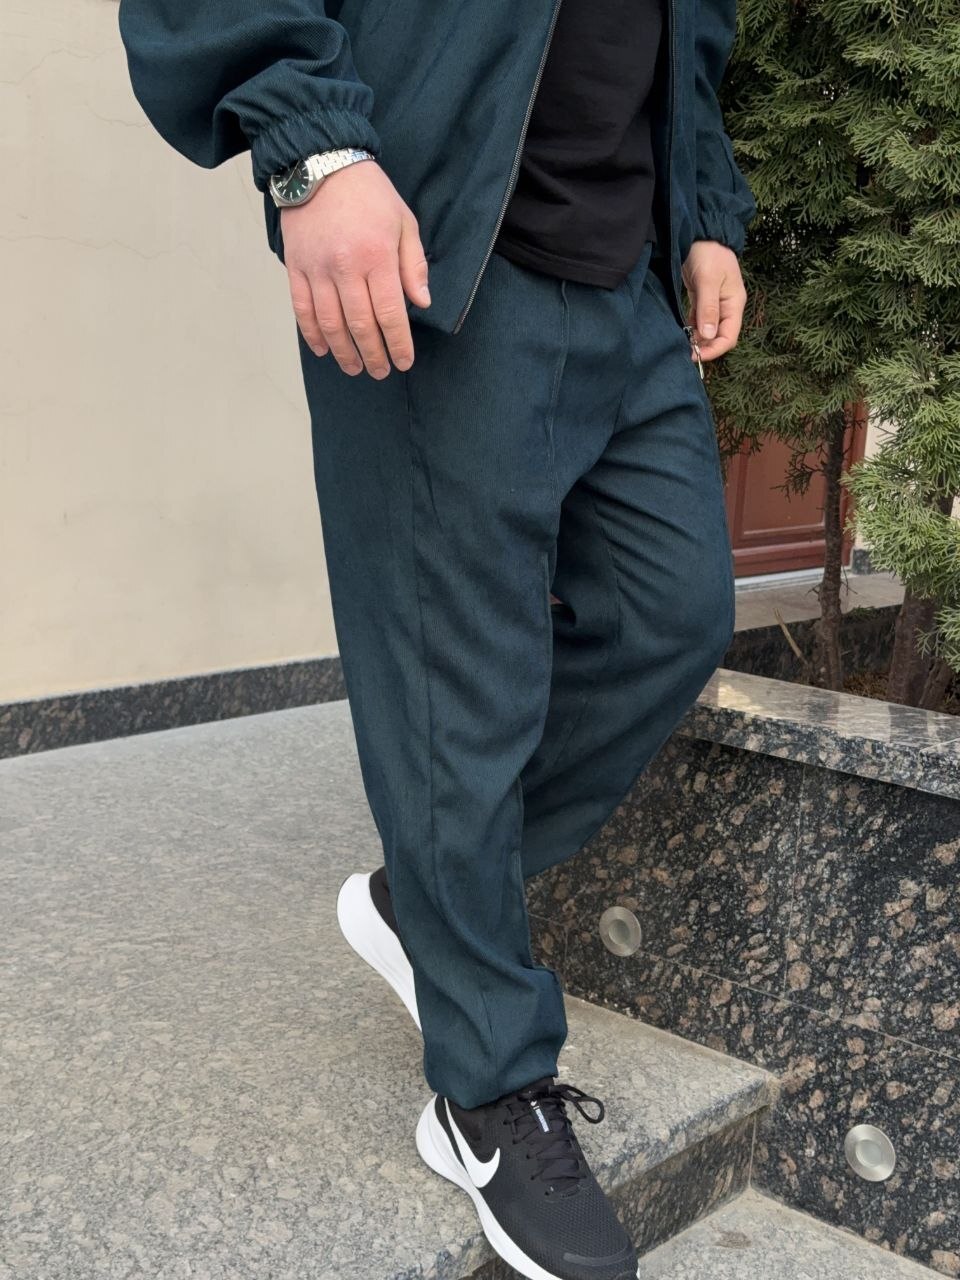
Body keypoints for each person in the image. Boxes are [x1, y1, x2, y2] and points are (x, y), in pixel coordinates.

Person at [118, 2, 756, 1276]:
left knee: (672, 613)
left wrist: (702, 210)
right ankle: (489, 1081)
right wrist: (313, 148)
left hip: (624, 271)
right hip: (437, 242)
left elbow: (687, 26)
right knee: (456, 692)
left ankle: (430, 900)